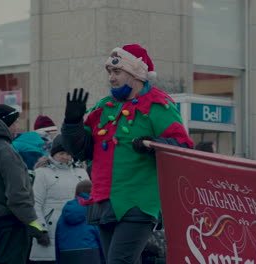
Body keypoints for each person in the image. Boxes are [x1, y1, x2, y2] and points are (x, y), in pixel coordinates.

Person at [61, 43, 193, 264]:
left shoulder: (158, 105)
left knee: (119, 261)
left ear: (136, 74)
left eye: (117, 72)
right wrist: (72, 123)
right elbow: (80, 151)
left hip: (138, 202)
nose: (112, 78)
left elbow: (184, 147)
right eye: (110, 72)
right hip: (104, 200)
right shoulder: (103, 107)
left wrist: (153, 144)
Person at [0, 104, 49, 264]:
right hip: (8, 227)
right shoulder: (4, 150)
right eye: (14, 123)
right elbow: (17, 195)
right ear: (4, 124)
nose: (17, 127)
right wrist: (34, 225)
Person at [29, 135, 89, 263]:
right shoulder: (42, 173)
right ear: (54, 152)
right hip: (50, 229)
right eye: (61, 153)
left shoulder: (81, 173)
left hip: (77, 229)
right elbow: (36, 203)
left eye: (68, 153)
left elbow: (89, 201)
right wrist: (40, 229)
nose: (65, 157)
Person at [55, 180, 104, 264]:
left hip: (66, 254)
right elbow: (101, 237)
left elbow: (57, 239)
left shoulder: (64, 214)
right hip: (91, 253)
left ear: (76, 194)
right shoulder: (94, 209)